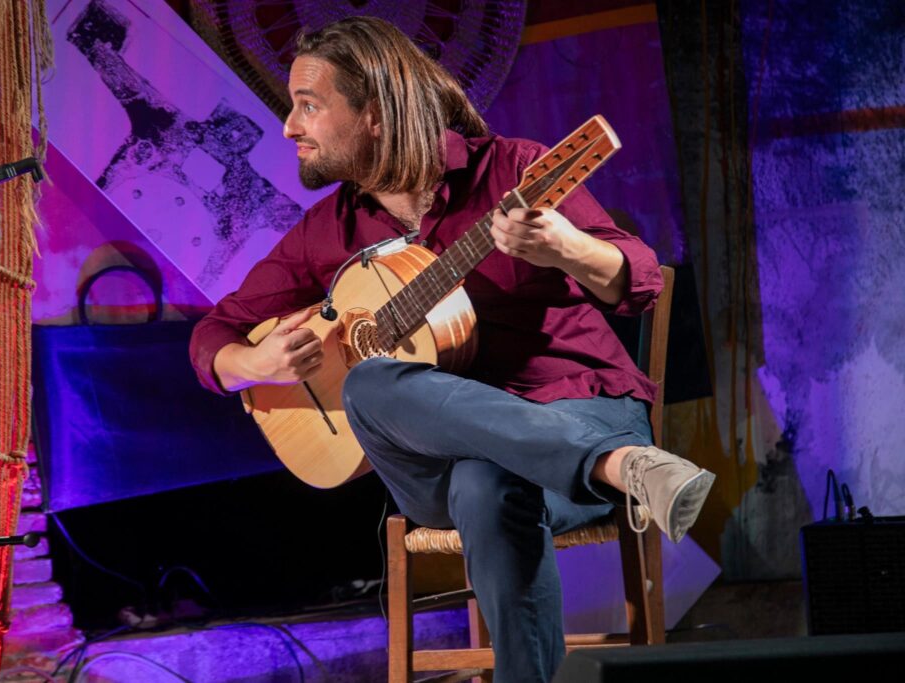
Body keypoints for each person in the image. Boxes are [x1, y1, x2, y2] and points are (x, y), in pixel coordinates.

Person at [190, 16, 715, 682]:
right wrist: (255, 363)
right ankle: (621, 466)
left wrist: (568, 247)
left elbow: (639, 280)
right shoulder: (328, 230)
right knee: (368, 384)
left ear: (374, 115)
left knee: (487, 479)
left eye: (309, 106)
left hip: (577, 408)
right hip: (443, 466)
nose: (290, 127)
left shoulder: (517, 171)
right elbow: (214, 335)